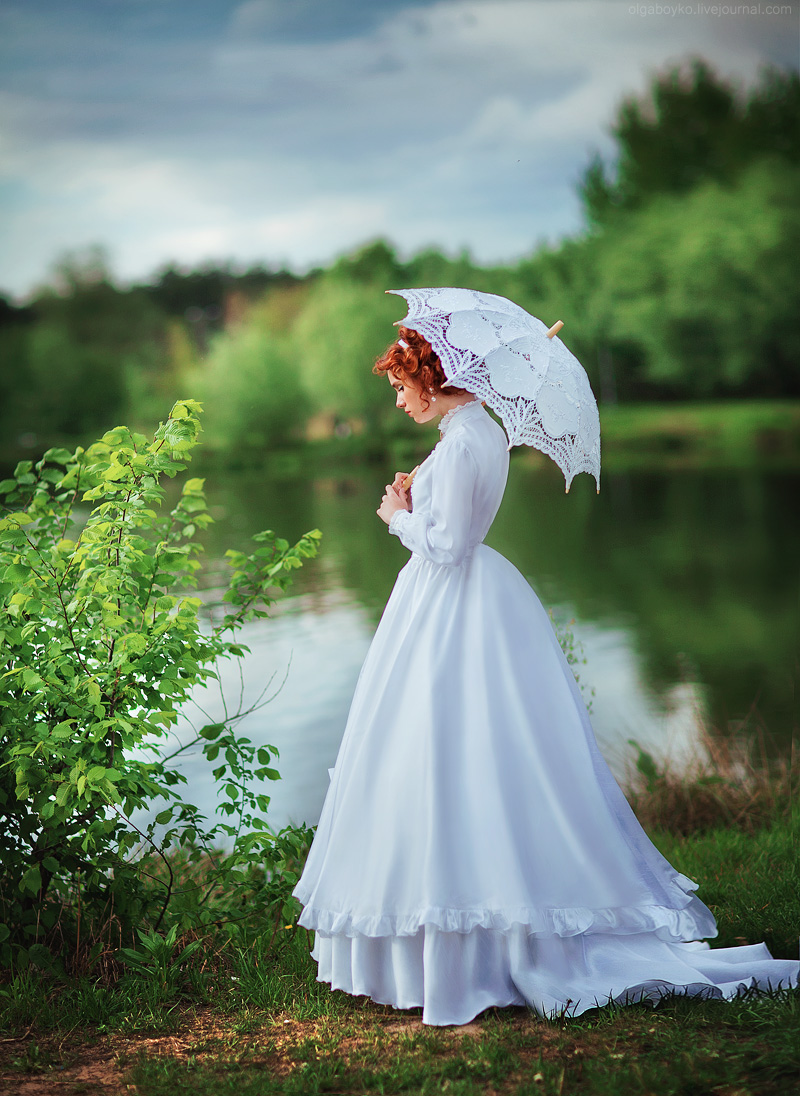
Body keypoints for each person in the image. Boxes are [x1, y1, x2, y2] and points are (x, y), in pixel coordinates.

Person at [292, 325, 799, 1026]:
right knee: (450, 750)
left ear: (434, 379)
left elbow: (449, 546)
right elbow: (454, 522)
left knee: (446, 748)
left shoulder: (465, 442)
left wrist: (397, 517)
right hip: (454, 603)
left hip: (451, 607)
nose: (399, 399)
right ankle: (464, 930)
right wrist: (418, 495)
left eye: (402, 385)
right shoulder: (472, 433)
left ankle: (475, 943)